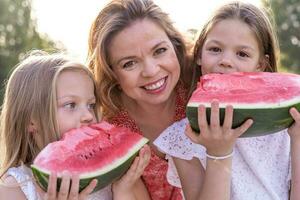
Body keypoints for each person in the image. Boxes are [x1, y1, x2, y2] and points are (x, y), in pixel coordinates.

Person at [154, 1, 300, 200]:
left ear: (261, 65)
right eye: (215, 49)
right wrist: (218, 153)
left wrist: (298, 140)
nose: (226, 60)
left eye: (242, 54)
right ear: (199, 54)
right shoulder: (183, 138)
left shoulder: (283, 130)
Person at [0, 51, 151, 200]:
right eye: (71, 105)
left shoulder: (121, 176)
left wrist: (123, 192)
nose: (88, 115)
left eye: (91, 105)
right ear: (31, 120)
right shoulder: (14, 188)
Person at [87, 0, 193, 199]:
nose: (151, 71)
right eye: (129, 63)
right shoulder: (106, 129)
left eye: (159, 51)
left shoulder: (201, 90)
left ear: (175, 46)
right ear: (112, 75)